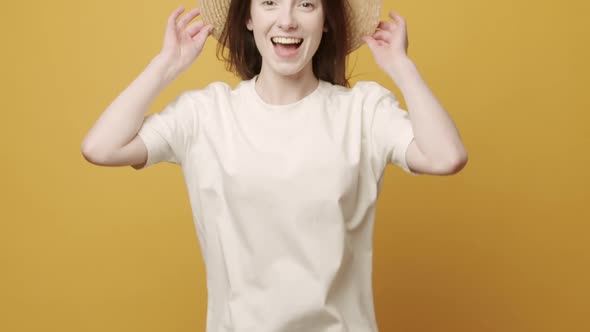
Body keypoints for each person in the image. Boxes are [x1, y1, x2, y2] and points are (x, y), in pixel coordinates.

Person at [81, 0, 468, 331]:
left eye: (306, 3)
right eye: (269, 1)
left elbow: (445, 156)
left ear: (327, 20)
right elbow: (102, 147)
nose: (287, 20)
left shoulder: (362, 111)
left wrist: (403, 68)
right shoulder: (206, 114)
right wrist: (166, 65)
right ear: (248, 16)